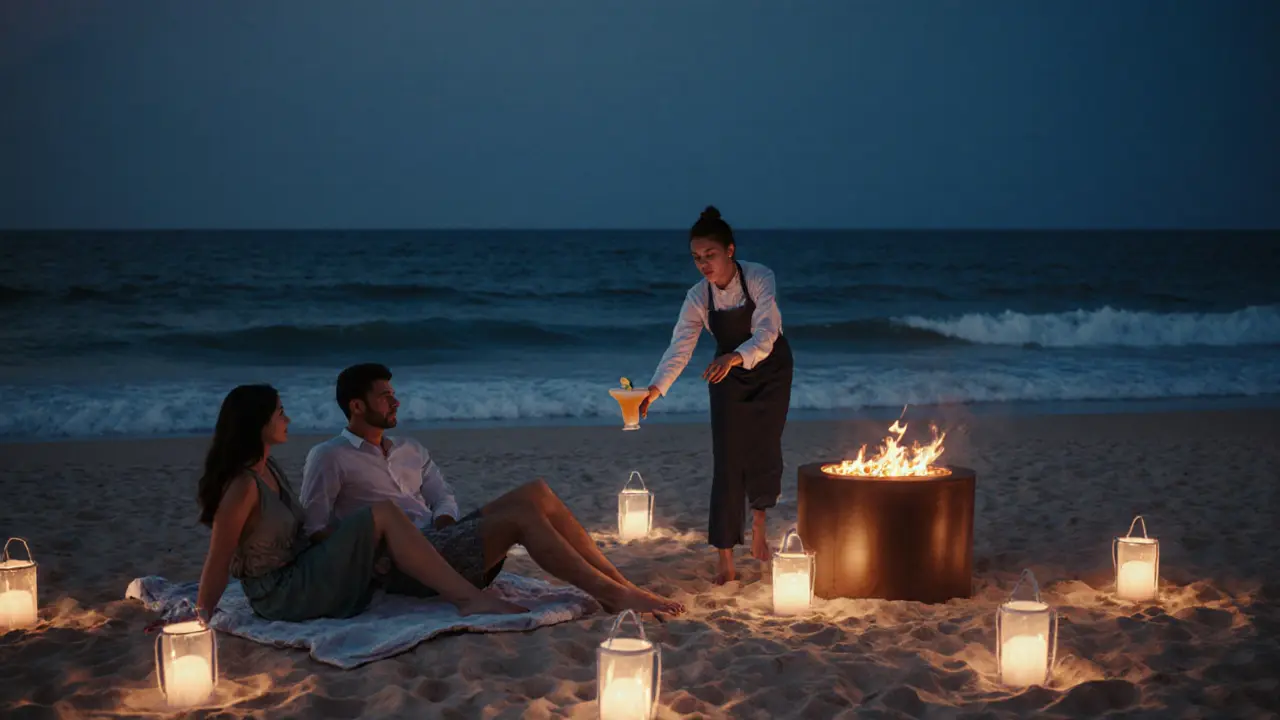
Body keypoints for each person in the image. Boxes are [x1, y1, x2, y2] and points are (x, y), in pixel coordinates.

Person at [299, 363, 684, 617]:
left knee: (536, 491)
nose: (395, 400)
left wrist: (446, 519)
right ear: (356, 405)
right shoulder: (329, 456)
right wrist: (371, 559)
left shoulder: (409, 449)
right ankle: (615, 597)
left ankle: (618, 583)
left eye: (392, 392)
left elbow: (442, 497)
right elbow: (315, 527)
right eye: (384, 395)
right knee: (522, 518)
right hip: (408, 566)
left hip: (440, 540)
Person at [194, 384, 528, 624]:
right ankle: (468, 598)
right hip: (281, 593)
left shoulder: (268, 468)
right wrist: (201, 615)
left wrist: (355, 540)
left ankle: (463, 592)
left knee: (379, 518)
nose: (288, 420)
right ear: (258, 423)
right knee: (381, 513)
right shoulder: (241, 487)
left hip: (301, 569)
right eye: (281, 413)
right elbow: (218, 559)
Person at [639, 206, 794, 584]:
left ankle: (759, 520)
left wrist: (736, 356)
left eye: (710, 255)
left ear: (729, 250)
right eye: (696, 258)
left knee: (764, 446)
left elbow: (767, 332)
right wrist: (655, 390)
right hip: (725, 373)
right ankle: (725, 557)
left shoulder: (759, 276)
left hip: (770, 368)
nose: (703, 264)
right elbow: (680, 347)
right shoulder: (697, 297)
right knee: (726, 459)